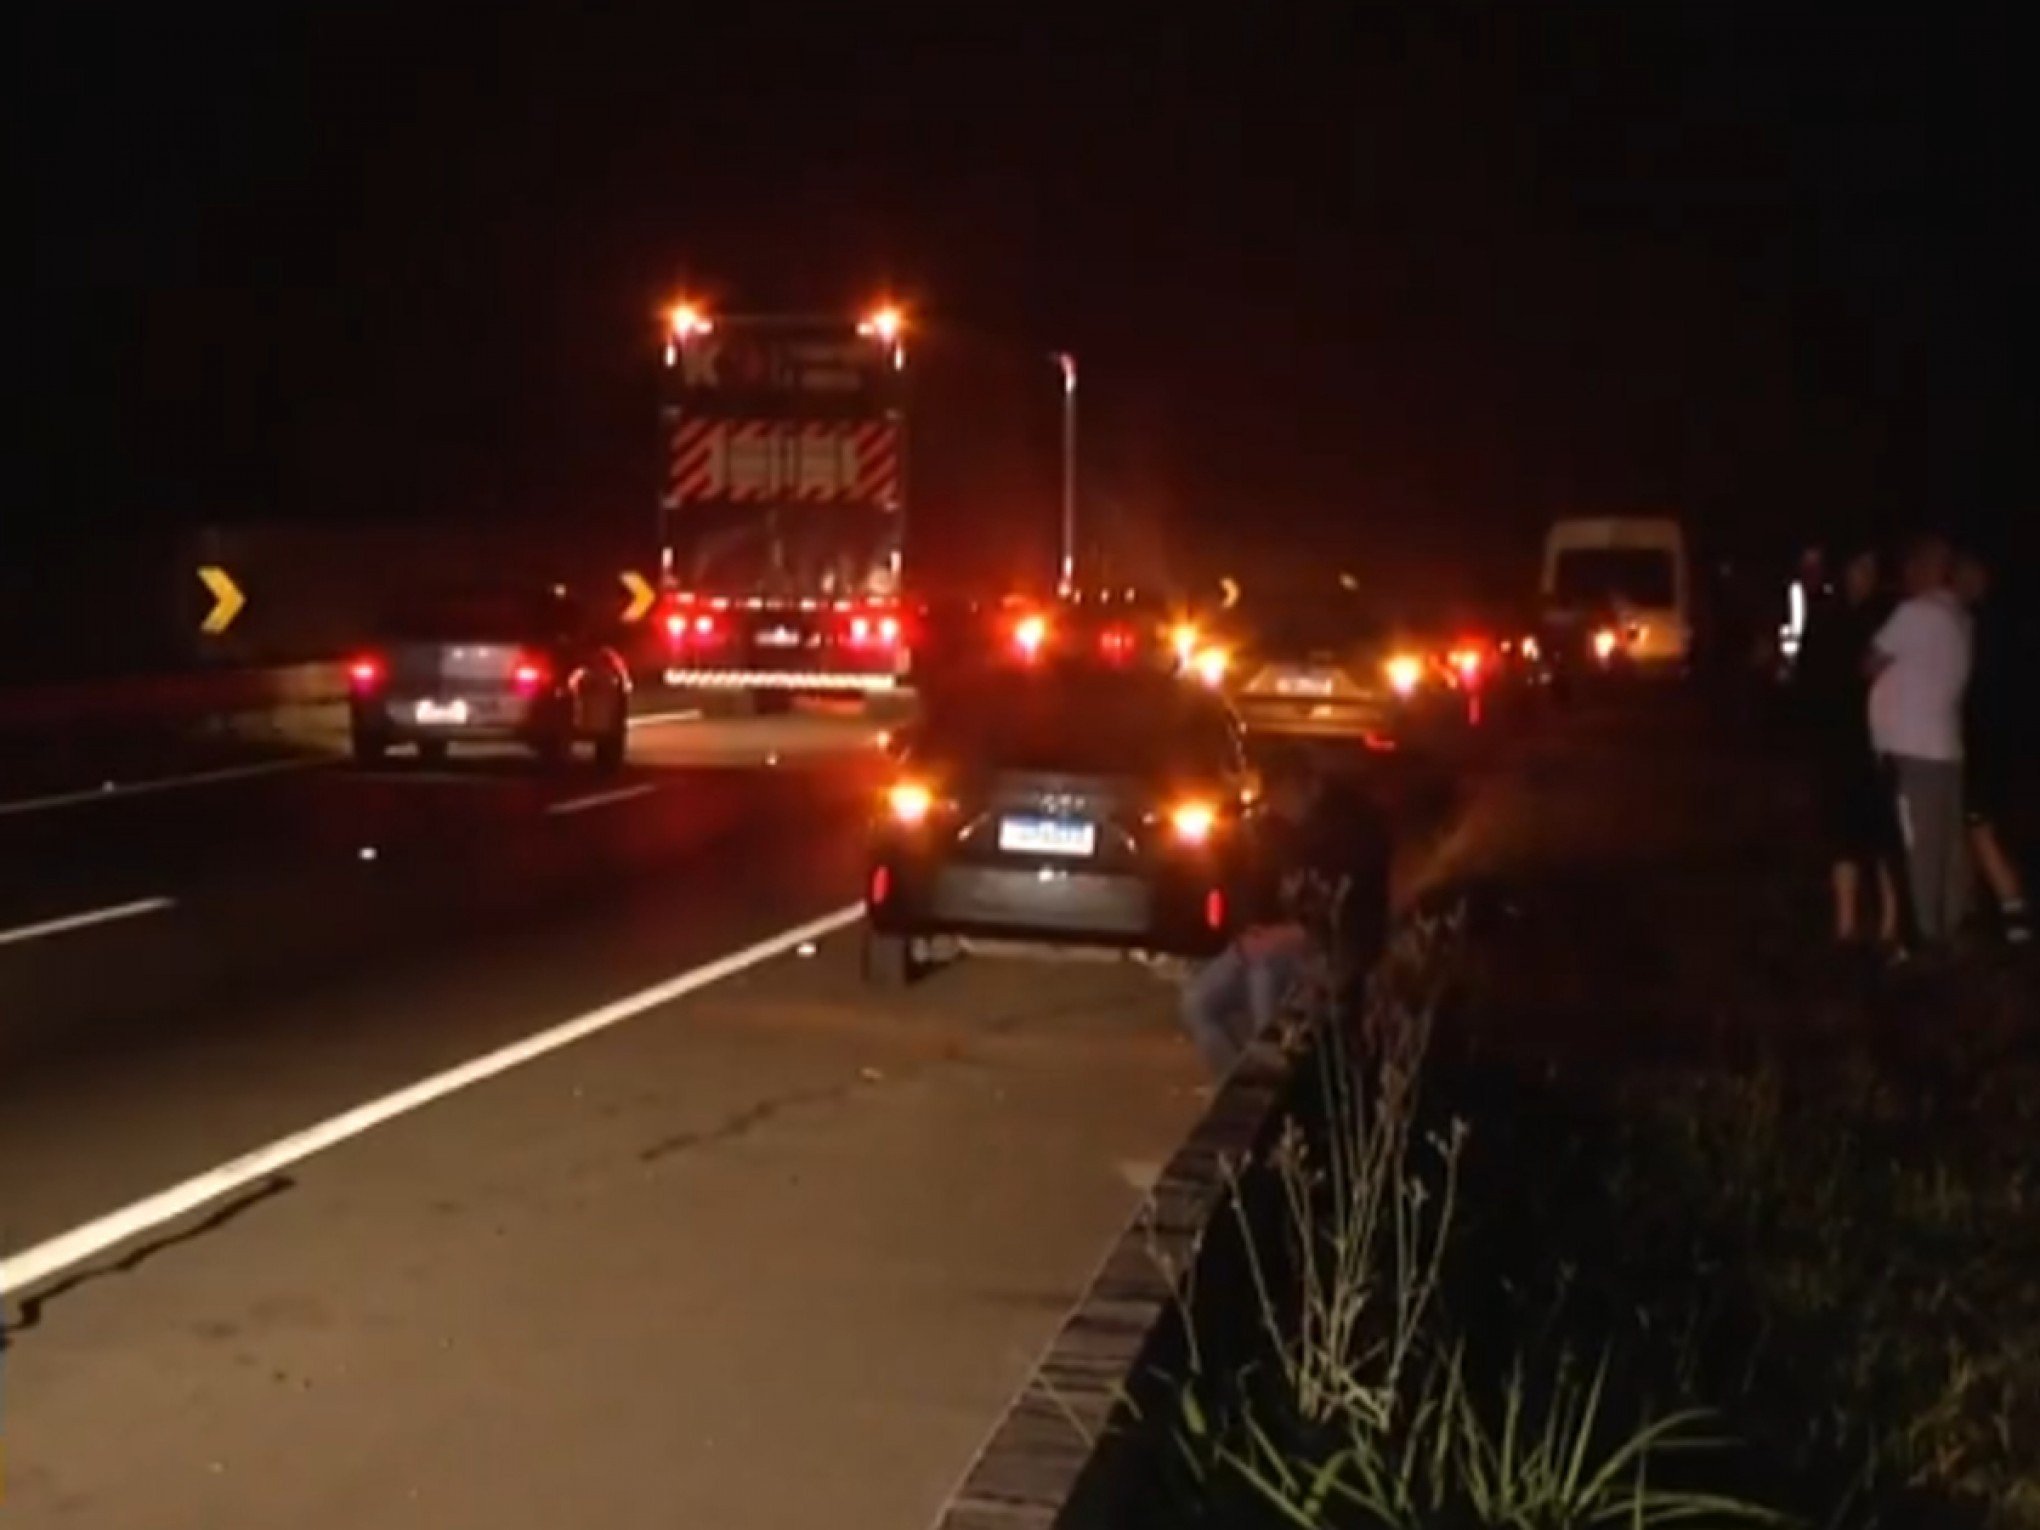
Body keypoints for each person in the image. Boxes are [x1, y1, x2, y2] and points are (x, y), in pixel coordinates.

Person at [1178, 746, 1388, 1075]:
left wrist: (1291, 936)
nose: (1276, 807)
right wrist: (1248, 930)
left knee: (1264, 978)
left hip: (1327, 949)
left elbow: (1353, 918)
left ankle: (1272, 1075)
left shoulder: (1350, 836)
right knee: (1199, 1002)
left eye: (1280, 796)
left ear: (1304, 788)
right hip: (1275, 941)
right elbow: (1255, 892)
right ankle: (1236, 1081)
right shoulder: (1277, 832)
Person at [1868, 534, 1974, 950]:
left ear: (1926, 569)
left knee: (1920, 846)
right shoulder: (1959, 617)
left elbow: (1870, 659)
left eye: (1913, 567)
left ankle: (1925, 933)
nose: (1907, 576)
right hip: (1945, 745)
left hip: (1913, 748)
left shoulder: (1914, 614)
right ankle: (1950, 922)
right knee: (1946, 843)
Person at [1793, 547, 1899, 949]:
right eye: (1860, 569)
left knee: (1881, 838)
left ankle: (1889, 922)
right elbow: (1808, 681)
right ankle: (1846, 922)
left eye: (1872, 569)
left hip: (1875, 739)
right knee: (1843, 836)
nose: (1866, 578)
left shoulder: (1882, 618)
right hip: (1840, 741)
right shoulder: (1829, 619)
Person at [1954, 550, 2029, 945]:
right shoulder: (2000, 623)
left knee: (1979, 827)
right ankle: (1975, 911)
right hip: (1993, 741)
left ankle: (2012, 910)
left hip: (1984, 741)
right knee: (1974, 828)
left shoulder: (1982, 626)